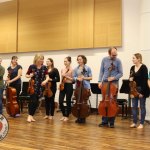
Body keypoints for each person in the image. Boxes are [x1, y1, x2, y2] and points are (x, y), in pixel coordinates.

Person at [98, 47, 123, 128]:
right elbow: (101, 71)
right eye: (113, 55)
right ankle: (104, 121)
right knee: (105, 101)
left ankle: (111, 122)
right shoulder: (104, 59)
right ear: (109, 53)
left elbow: (121, 73)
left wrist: (113, 78)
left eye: (116, 54)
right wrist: (99, 81)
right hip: (105, 83)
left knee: (113, 103)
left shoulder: (118, 61)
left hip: (114, 83)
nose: (115, 56)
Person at [26, 54, 49, 122]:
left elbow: (47, 76)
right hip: (33, 86)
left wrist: (45, 80)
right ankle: (29, 116)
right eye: (40, 59)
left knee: (36, 102)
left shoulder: (44, 67)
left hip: (41, 87)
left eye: (42, 59)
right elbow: (26, 75)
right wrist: (30, 75)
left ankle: (31, 116)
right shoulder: (32, 66)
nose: (41, 60)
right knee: (33, 101)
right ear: (36, 59)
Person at [129, 53, 149, 129]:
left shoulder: (144, 67)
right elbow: (130, 80)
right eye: (133, 58)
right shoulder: (132, 67)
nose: (132, 59)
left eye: (134, 58)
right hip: (133, 89)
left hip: (142, 89)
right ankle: (134, 122)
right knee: (134, 107)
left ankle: (141, 123)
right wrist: (131, 91)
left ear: (139, 59)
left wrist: (141, 92)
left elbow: (145, 81)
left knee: (142, 107)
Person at [73, 55, 92, 123]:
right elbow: (74, 77)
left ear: (83, 60)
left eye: (80, 59)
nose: (79, 61)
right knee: (78, 100)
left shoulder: (88, 68)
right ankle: (78, 116)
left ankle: (83, 116)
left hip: (86, 86)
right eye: (78, 59)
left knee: (84, 101)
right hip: (78, 86)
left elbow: (90, 77)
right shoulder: (76, 69)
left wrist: (84, 78)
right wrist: (77, 78)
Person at [59, 56, 74, 122]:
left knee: (68, 101)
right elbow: (61, 78)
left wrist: (67, 76)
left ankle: (67, 116)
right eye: (64, 61)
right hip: (63, 85)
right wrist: (60, 84)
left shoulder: (72, 70)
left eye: (66, 61)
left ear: (69, 62)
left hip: (69, 85)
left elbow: (73, 80)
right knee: (60, 101)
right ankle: (63, 114)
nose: (65, 62)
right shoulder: (62, 69)